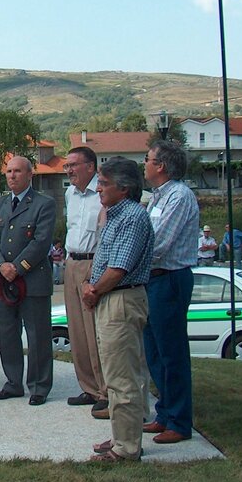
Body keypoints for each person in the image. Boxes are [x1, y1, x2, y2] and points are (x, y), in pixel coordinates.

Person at [81, 158, 154, 462]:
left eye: (104, 183)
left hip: (120, 300)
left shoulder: (132, 218)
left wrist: (94, 290)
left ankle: (126, 448)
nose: (98, 189)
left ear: (124, 188)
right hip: (112, 298)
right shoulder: (115, 216)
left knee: (121, 376)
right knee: (120, 373)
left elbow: (118, 268)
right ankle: (123, 436)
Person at [0, 156, 57, 405]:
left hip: (32, 279)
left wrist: (17, 267)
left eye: (17, 171)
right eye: (8, 171)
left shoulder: (43, 204)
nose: (12, 176)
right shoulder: (0, 204)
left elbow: (41, 241)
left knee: (37, 335)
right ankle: (13, 382)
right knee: (7, 334)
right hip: (4, 280)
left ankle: (38, 386)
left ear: (30, 175)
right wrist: (1, 266)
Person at [143, 140, 200, 445]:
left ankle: (179, 421)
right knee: (154, 352)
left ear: (161, 165)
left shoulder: (179, 197)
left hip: (170, 279)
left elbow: (160, 244)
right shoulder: (156, 198)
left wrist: (130, 256)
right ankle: (164, 413)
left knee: (172, 352)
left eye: (148, 159)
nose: (145, 164)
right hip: (152, 280)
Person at [62, 146, 108, 416]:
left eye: (74, 165)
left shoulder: (101, 193)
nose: (69, 170)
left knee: (95, 331)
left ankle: (105, 389)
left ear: (90, 166)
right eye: (67, 166)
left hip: (94, 263)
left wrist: (97, 270)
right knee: (77, 330)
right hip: (71, 262)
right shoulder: (70, 194)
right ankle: (89, 387)